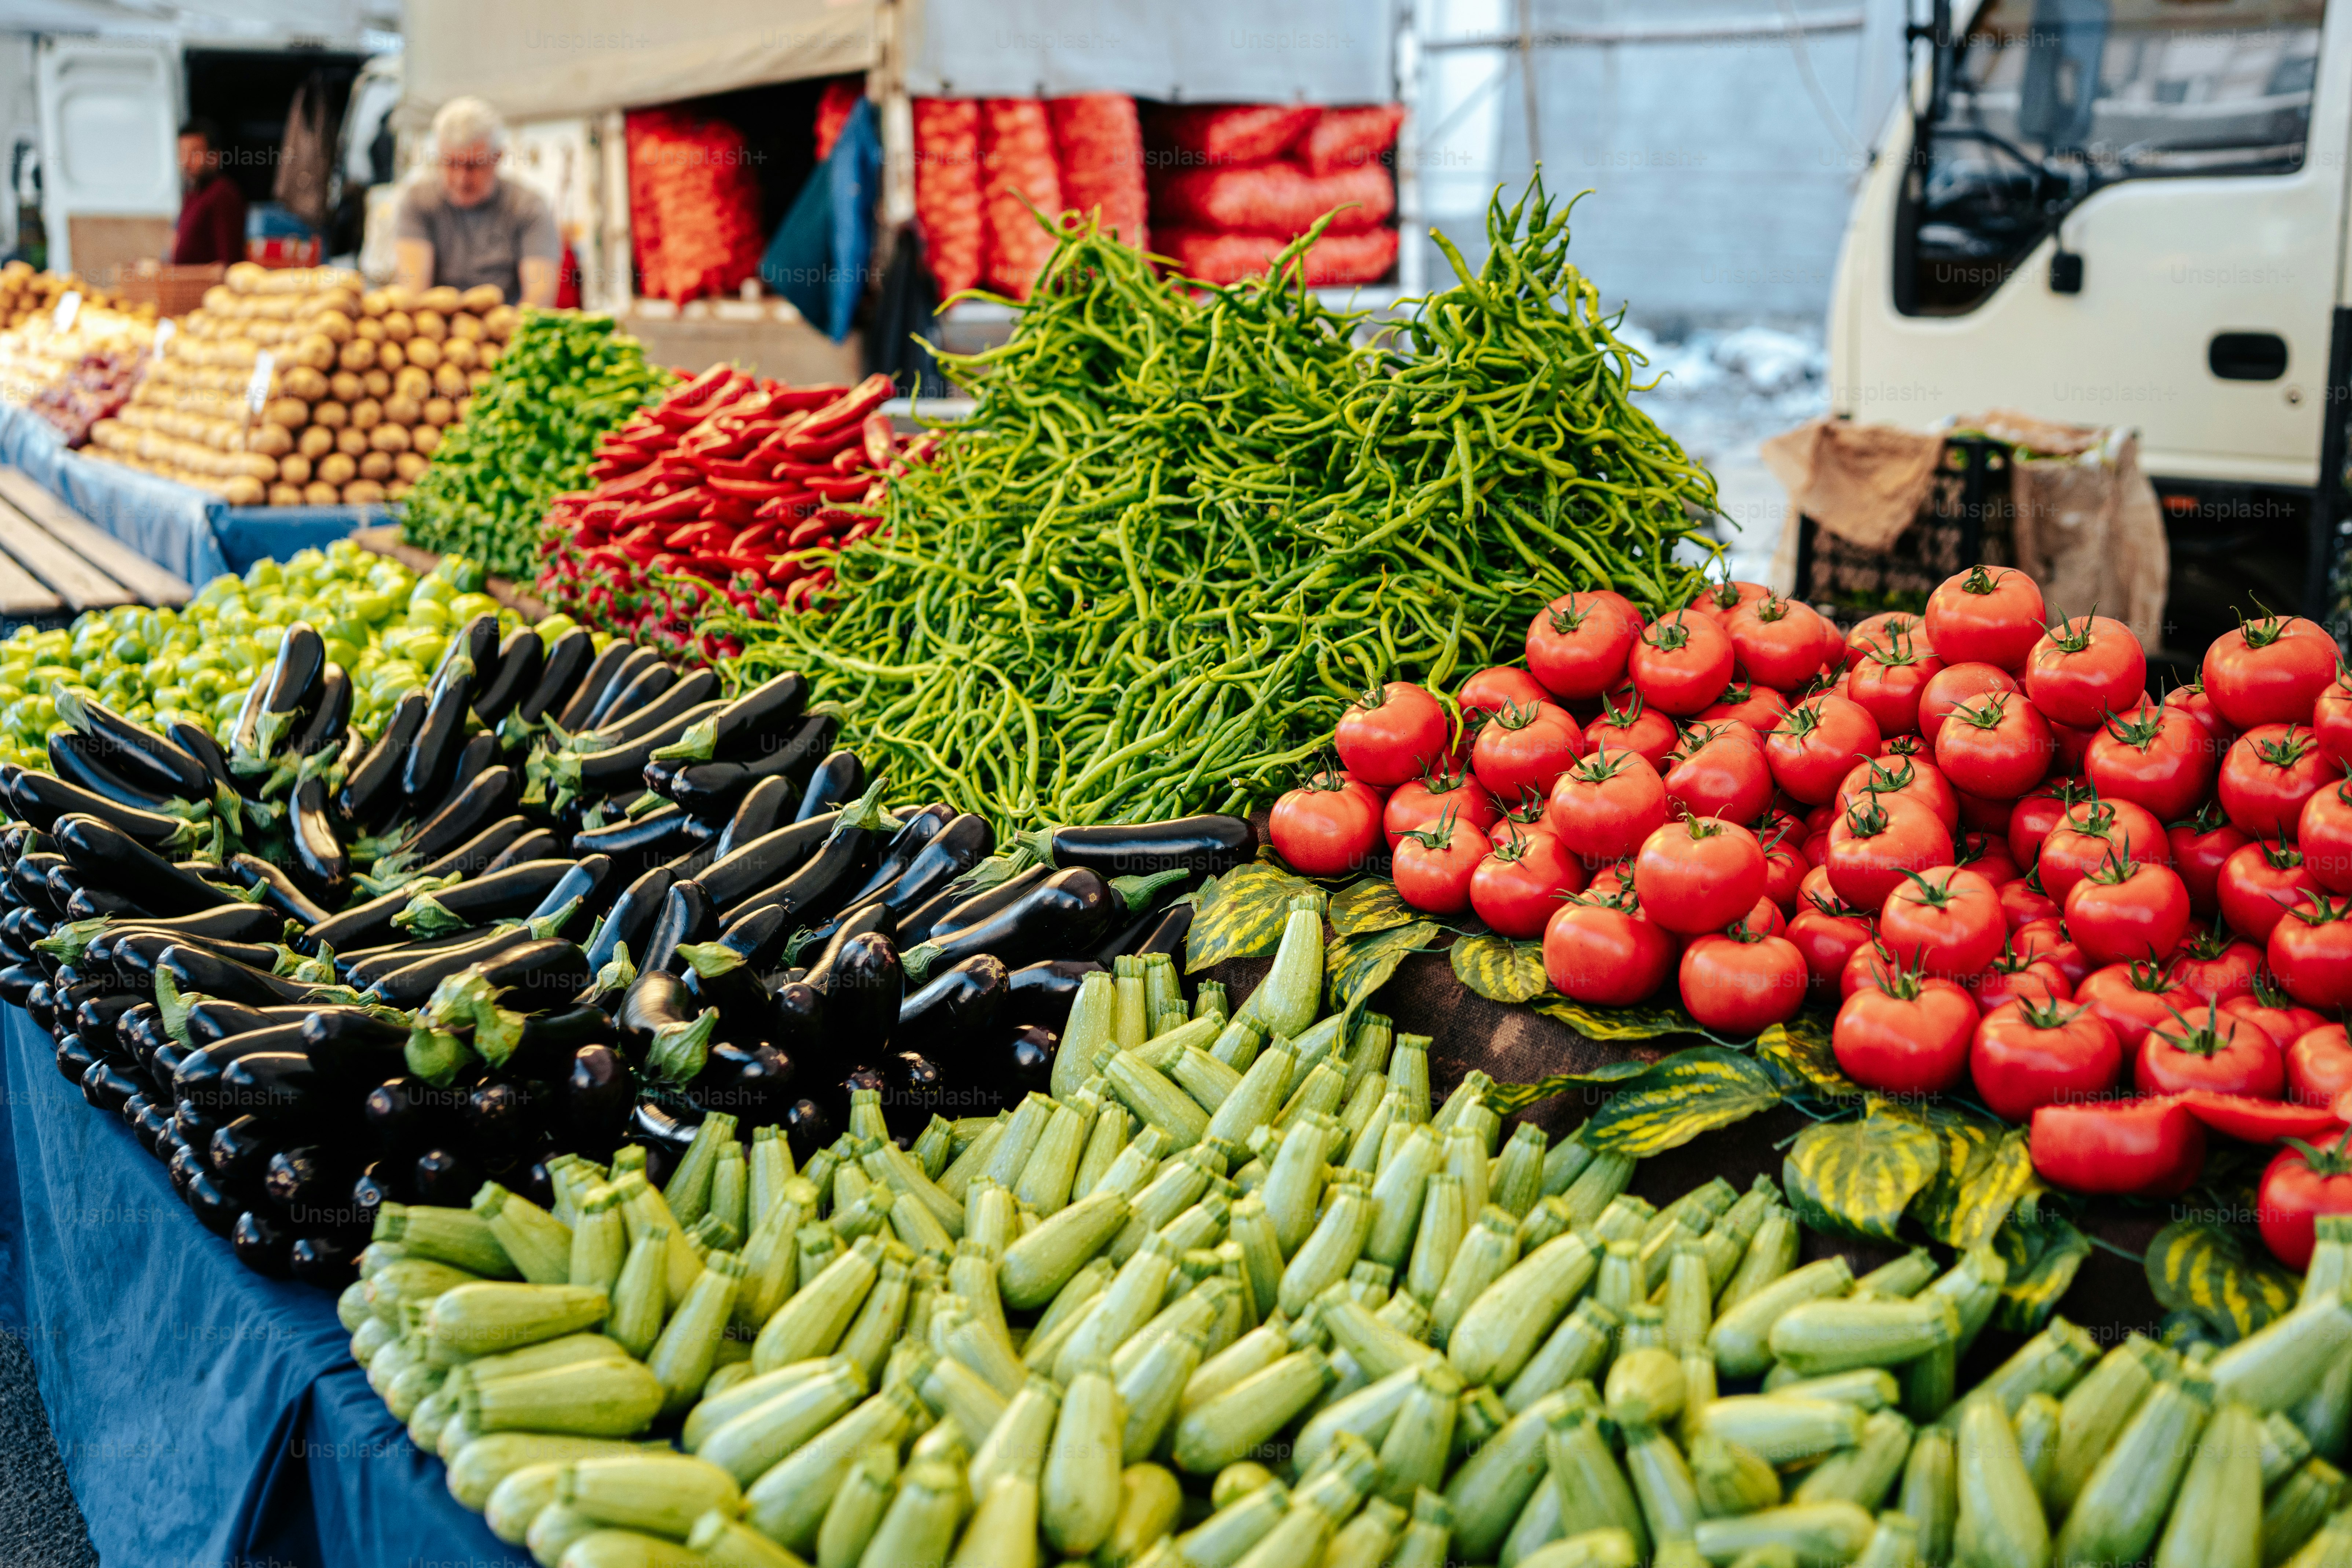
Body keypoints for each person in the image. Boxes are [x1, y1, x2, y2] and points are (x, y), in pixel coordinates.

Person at [393, 97, 559, 307]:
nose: (461, 179)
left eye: (473, 166)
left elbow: (540, 299)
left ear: (497, 158)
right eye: (451, 164)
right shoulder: (418, 202)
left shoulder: (528, 207)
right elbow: (413, 293)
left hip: (506, 329)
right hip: (436, 331)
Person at [171, 118, 246, 267]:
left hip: (209, 289)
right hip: (185, 286)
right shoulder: (192, 194)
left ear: (214, 157)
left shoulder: (222, 194)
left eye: (195, 153)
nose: (186, 162)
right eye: (182, 153)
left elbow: (229, 262)